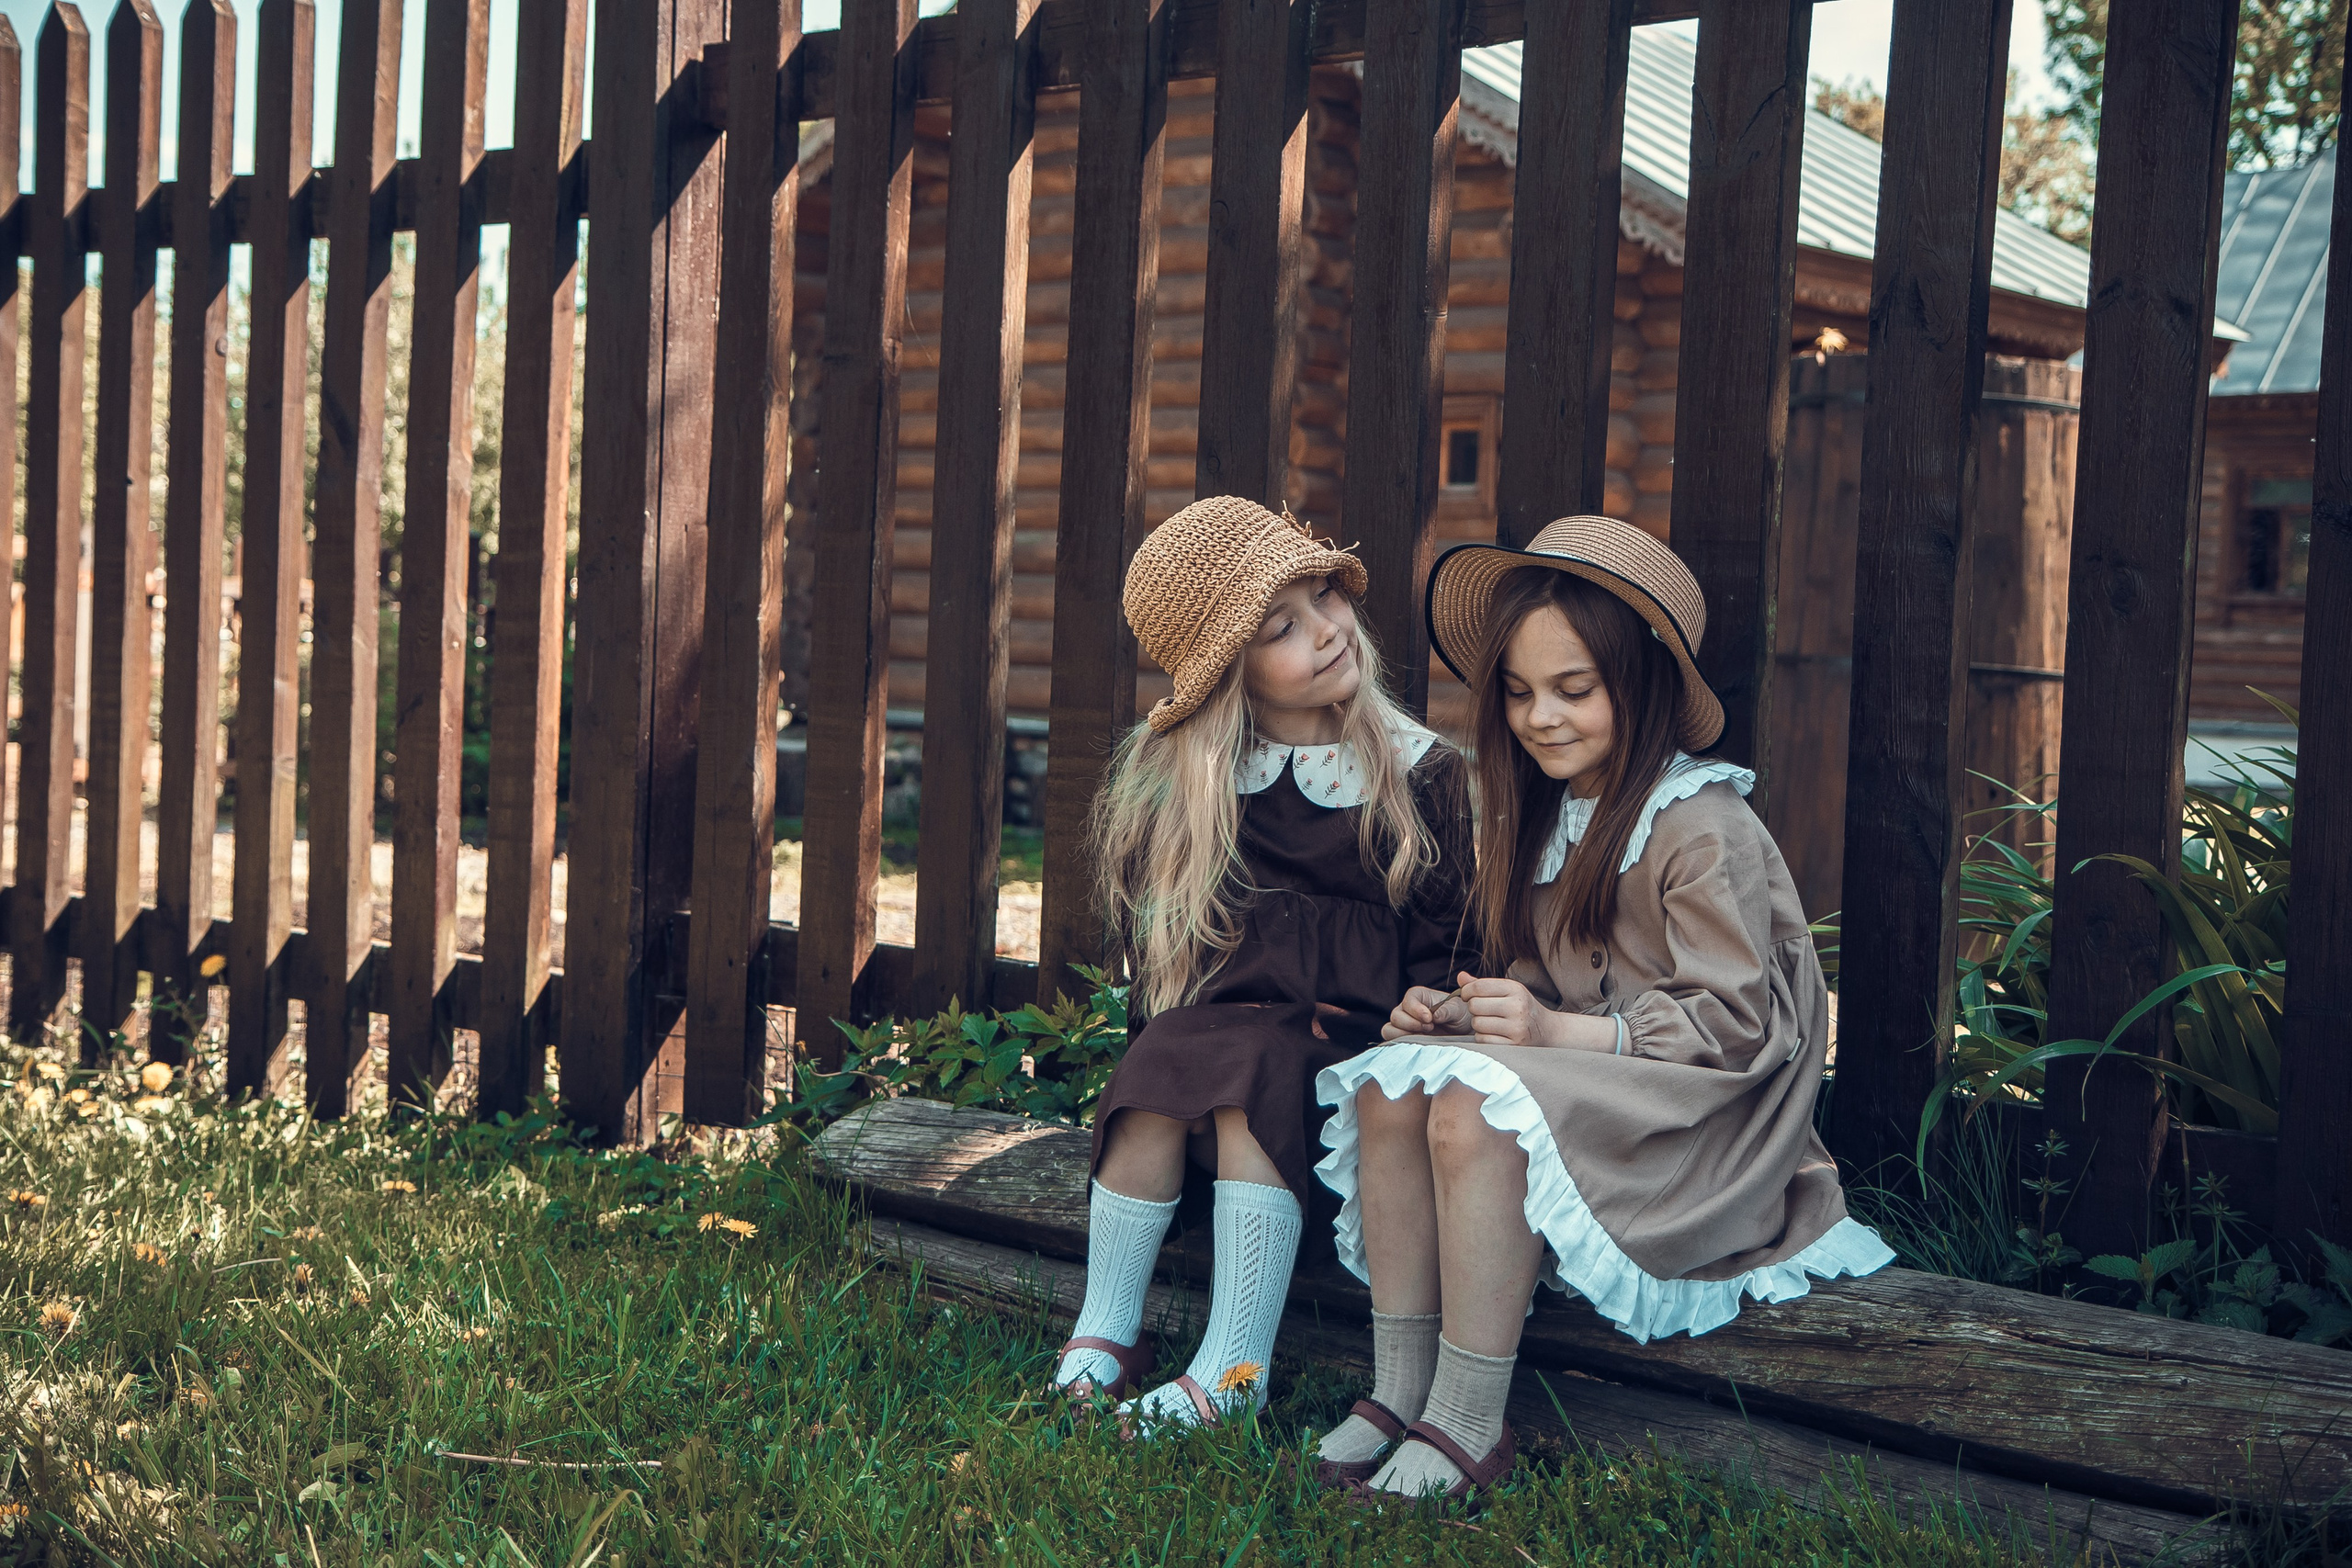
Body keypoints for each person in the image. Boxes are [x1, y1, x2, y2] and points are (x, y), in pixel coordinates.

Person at [1309, 516, 1894, 1502]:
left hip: (1706, 1111)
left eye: (1573, 690)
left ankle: (1465, 1420)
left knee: (1474, 1110)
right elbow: (1549, 984)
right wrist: (1468, 1017)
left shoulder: (1703, 824)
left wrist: (1547, 1036)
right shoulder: (1551, 813)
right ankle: (1399, 1388)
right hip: (1609, 1073)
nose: (1541, 717)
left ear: (1647, 685)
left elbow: (1732, 1027)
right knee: (1390, 1092)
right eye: (1520, 691)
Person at [1049, 495, 1476, 1433]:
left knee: (1256, 1067)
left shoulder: (1418, 775)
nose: (1327, 631)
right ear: (1230, 676)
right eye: (1283, 627)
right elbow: (1166, 960)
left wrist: (1429, 1009)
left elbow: (1449, 951)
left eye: (1324, 596)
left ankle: (1234, 1368)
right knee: (1164, 1059)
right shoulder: (1201, 784)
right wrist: (1163, 1068)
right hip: (1231, 1045)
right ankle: (1105, 1329)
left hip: (1350, 1058)